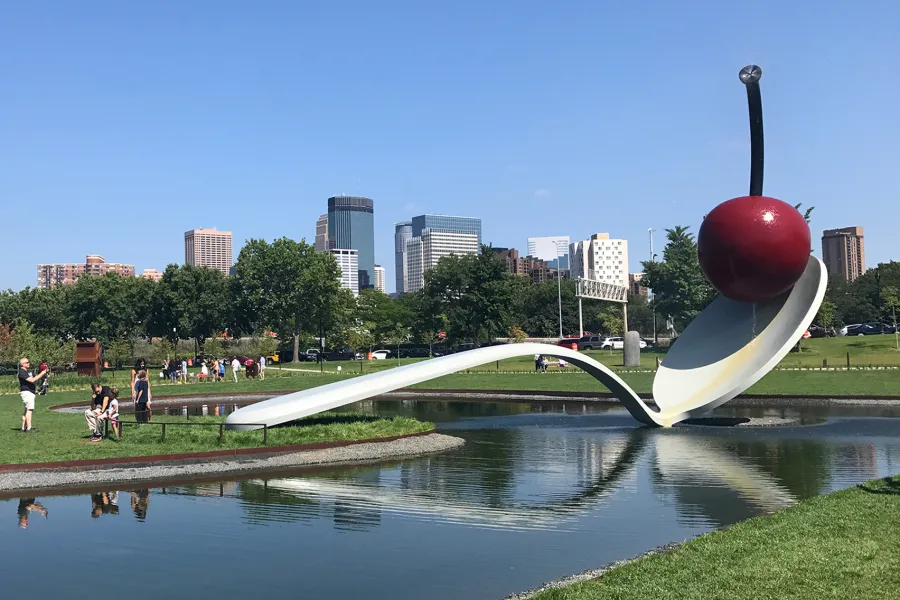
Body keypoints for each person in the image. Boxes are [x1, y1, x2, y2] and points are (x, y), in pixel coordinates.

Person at [18, 357, 49, 433]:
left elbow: (35, 377)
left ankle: (23, 428)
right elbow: (32, 380)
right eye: (27, 362)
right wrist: (41, 373)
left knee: (26, 410)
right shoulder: (22, 372)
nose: (29, 363)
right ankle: (29, 428)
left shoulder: (27, 372)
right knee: (30, 410)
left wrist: (43, 373)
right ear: (22, 364)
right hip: (27, 392)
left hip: (29, 392)